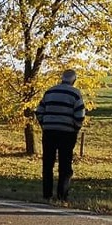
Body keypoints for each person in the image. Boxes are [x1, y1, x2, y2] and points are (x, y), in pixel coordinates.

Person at [35, 68, 86, 202]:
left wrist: (45, 124)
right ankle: (62, 196)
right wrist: (75, 128)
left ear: (62, 78)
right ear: (74, 80)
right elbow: (80, 115)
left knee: (48, 163)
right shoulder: (76, 94)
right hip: (67, 133)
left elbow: (39, 111)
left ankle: (47, 195)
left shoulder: (50, 91)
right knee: (65, 164)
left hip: (49, 132)